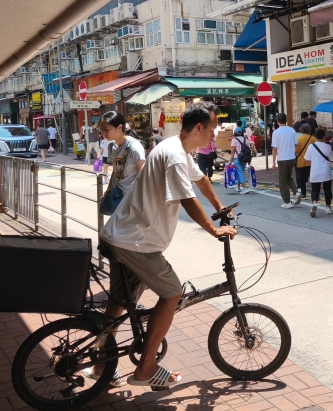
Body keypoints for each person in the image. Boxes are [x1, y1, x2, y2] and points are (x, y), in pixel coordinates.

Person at [96, 103, 236, 389]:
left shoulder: (177, 149)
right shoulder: (173, 155)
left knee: (119, 303)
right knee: (172, 293)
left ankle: (100, 366)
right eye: (212, 129)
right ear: (199, 128)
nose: (214, 135)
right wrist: (213, 229)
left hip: (122, 235)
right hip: (136, 242)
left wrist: (220, 207)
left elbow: (201, 179)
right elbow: (187, 198)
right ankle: (146, 367)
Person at [100, 111, 146, 198]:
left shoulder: (134, 147)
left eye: (106, 129)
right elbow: (115, 172)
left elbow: (143, 177)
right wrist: (108, 191)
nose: (104, 133)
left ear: (119, 127)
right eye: (102, 129)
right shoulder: (113, 146)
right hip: (117, 197)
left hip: (130, 199)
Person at [304, 128, 333, 217]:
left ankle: (314, 204)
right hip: (326, 171)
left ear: (315, 136)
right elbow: (332, 159)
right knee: (327, 190)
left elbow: (307, 159)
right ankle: (328, 207)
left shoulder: (311, 146)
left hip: (315, 170)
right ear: (324, 137)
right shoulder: (328, 147)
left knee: (315, 189)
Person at [271, 113, 299, 208]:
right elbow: (296, 144)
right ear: (286, 120)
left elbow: (275, 149)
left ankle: (287, 202)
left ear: (277, 121)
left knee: (282, 181)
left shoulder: (276, 132)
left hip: (282, 159)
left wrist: (273, 162)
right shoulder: (292, 130)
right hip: (292, 158)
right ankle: (296, 192)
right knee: (288, 177)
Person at [295, 124, 316, 202]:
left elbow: (296, 151)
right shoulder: (314, 139)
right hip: (311, 162)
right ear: (310, 131)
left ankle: (303, 194)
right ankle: (315, 195)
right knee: (310, 178)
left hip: (301, 161)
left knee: (301, 178)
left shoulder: (298, 139)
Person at [229, 128, 252, 195]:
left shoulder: (234, 140)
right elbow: (248, 151)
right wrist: (249, 161)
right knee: (240, 172)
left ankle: (245, 188)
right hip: (245, 159)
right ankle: (238, 187)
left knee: (240, 172)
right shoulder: (246, 140)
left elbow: (233, 151)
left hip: (237, 158)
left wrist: (230, 161)